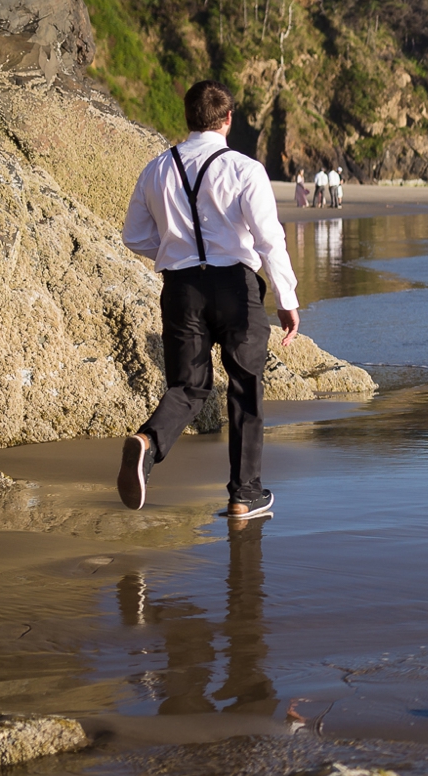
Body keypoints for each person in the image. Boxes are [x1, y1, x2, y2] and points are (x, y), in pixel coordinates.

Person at [117, 80, 300, 519]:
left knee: (188, 386)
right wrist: (286, 297)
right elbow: (268, 239)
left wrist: (174, 252)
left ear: (187, 118)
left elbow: (134, 236)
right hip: (236, 287)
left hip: (181, 289)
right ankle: (245, 494)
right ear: (228, 119)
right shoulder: (244, 168)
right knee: (244, 386)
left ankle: (148, 443)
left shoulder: (157, 169)